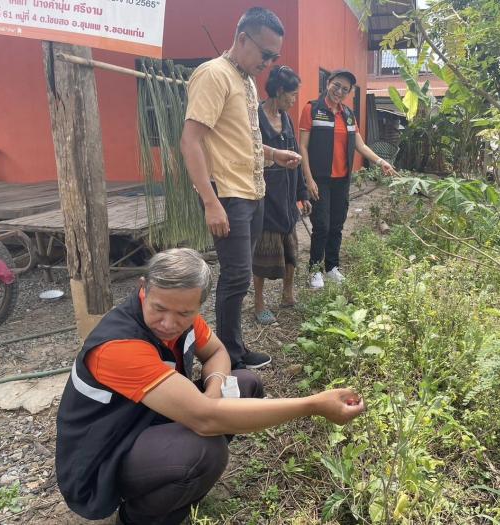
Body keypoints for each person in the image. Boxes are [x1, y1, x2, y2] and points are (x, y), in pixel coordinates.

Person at [56, 248, 365, 525]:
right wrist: (313, 405)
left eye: (183, 313)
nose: (169, 322)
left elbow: (217, 353)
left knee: (246, 384)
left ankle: (175, 475)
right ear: (143, 289)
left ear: (198, 306)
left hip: (145, 420)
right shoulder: (119, 344)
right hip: (104, 455)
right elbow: (205, 419)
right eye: (159, 308)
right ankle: (139, 517)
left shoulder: (184, 319)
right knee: (205, 450)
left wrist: (214, 389)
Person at [180, 7, 301, 369]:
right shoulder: (213, 75)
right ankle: (227, 356)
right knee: (234, 277)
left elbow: (238, 141)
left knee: (241, 274)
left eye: (274, 56)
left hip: (253, 190)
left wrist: (273, 153)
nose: (269, 62)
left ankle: (233, 346)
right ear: (242, 38)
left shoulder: (244, 79)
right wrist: (210, 201)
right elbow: (191, 141)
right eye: (265, 54)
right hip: (229, 195)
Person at [298, 69, 397, 289]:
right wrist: (309, 179)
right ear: (328, 83)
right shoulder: (312, 109)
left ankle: (332, 267)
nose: (339, 91)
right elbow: (302, 147)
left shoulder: (349, 115)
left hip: (342, 179)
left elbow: (360, 145)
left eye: (345, 89)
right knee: (321, 225)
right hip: (320, 179)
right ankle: (315, 270)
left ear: (349, 92)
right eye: (337, 85)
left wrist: (381, 162)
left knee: (336, 224)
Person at [253, 65, 311, 325]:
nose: (294, 99)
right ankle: (258, 302)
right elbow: (249, 151)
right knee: (263, 252)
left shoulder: (286, 118)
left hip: (287, 195)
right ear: (279, 90)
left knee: (290, 248)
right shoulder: (255, 117)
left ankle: (287, 294)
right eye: (292, 94)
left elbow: (296, 156)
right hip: (265, 195)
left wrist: (302, 194)